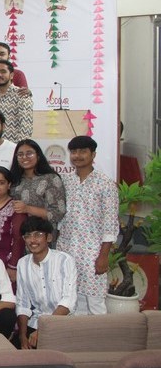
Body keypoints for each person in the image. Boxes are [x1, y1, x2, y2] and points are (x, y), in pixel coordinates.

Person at [58, 135, 119, 315]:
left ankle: (98, 333)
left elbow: (110, 223)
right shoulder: (65, 181)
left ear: (93, 155)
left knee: (95, 300)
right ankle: (77, 332)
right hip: (67, 247)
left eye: (83, 151)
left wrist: (103, 256)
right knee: (70, 296)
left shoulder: (105, 184)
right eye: (74, 152)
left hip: (93, 251)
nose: (77, 156)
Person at [17, 216, 77, 349]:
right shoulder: (23, 263)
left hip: (62, 323)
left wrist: (42, 331)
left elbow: (68, 301)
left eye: (38, 235)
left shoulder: (65, 260)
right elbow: (22, 303)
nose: (32, 240)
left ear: (49, 238)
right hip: (35, 323)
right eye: (28, 236)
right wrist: (22, 336)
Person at [10, 139, 67, 229]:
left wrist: (27, 209)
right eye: (20, 155)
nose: (24, 157)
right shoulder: (14, 180)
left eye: (29, 153)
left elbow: (58, 213)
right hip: (18, 232)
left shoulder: (50, 178)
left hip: (43, 232)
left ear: (38, 156)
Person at [0, 60, 33, 143]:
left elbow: (26, 128)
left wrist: (19, 148)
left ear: (11, 75)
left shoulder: (21, 95)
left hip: (14, 147)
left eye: (3, 71)